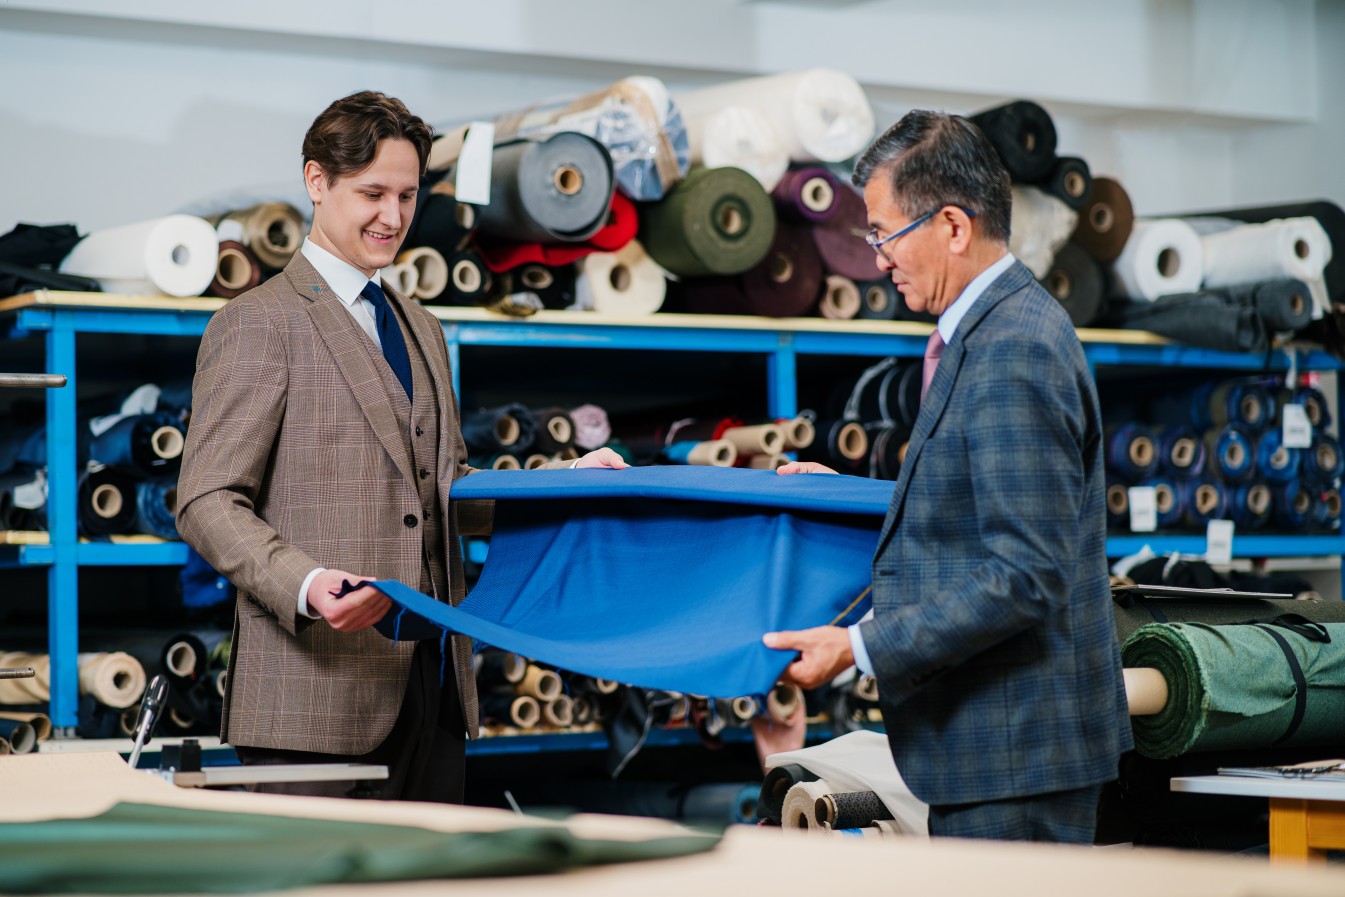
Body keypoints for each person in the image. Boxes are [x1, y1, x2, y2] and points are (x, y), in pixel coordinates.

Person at [176, 90, 626, 802]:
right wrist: (307, 584)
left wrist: (561, 484)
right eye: (372, 194)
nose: (393, 216)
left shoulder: (421, 327)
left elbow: (442, 489)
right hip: (314, 700)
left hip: (434, 688)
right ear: (316, 181)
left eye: (408, 195)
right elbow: (205, 499)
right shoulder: (258, 323)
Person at [764, 110, 1131, 843]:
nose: (877, 259)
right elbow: (976, 509)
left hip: (1018, 758)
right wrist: (840, 492)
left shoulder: (1014, 348)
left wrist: (857, 647)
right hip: (999, 753)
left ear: (954, 227)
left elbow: (1025, 573)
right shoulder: (988, 334)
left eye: (883, 234)